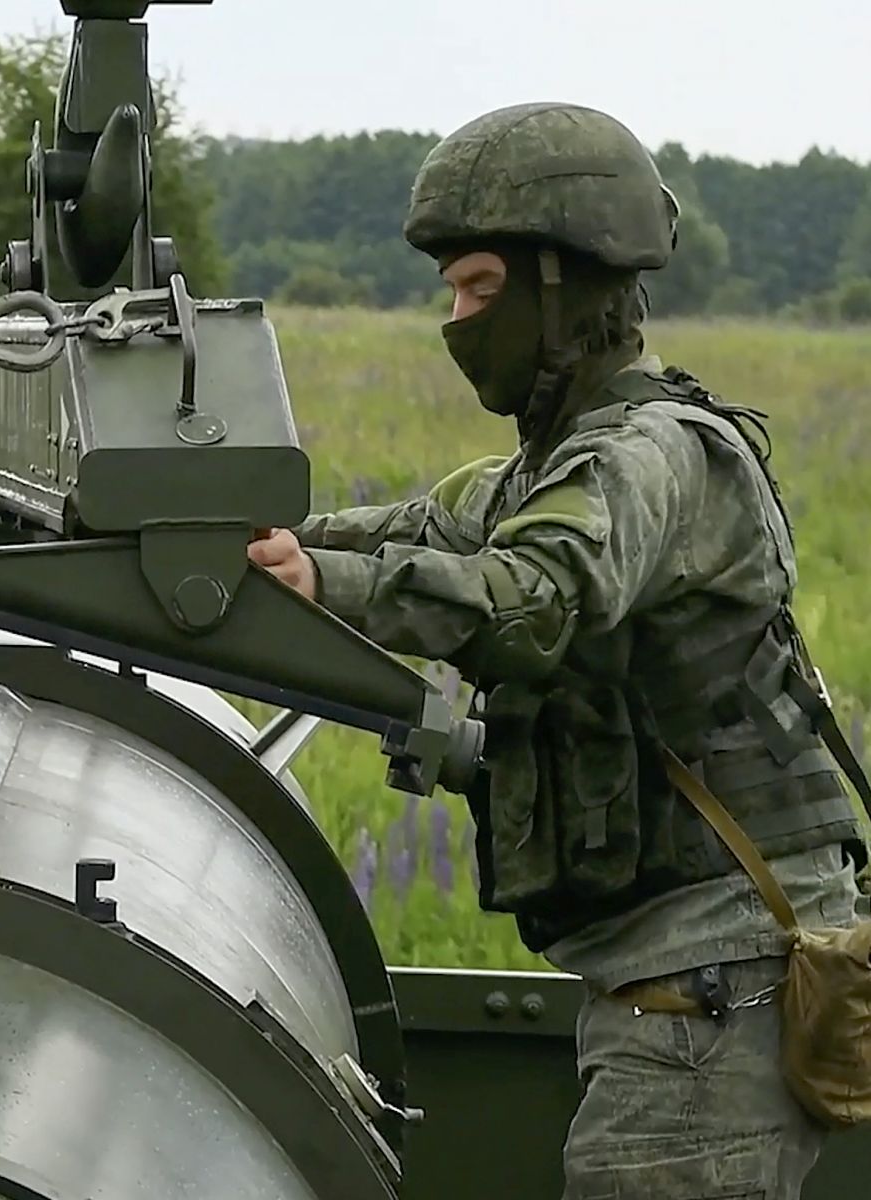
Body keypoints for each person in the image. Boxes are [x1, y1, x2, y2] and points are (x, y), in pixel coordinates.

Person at [248, 102, 869, 1199]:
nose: (455, 319)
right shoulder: (561, 465)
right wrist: (269, 542)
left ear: (564, 287)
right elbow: (423, 529)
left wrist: (318, 584)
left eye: (478, 290)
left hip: (710, 996)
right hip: (683, 986)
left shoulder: (648, 460)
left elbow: (530, 601)